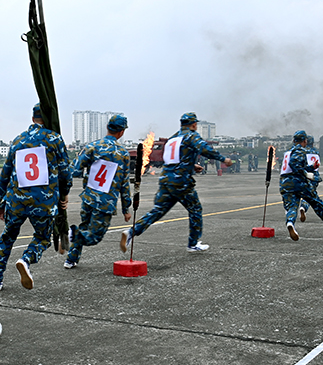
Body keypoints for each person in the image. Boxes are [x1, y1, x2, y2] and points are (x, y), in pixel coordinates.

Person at [120, 112, 231, 253]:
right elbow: (204, 149)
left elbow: (172, 159)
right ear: (194, 124)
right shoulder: (191, 135)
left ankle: (131, 232)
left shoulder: (172, 139)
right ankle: (193, 243)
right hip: (181, 181)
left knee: (157, 211)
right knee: (195, 209)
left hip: (166, 180)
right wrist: (223, 159)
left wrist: (191, 166)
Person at [0, 103, 72, 292]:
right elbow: (65, 172)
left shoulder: (18, 140)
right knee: (43, 238)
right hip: (43, 201)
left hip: (16, 199)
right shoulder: (54, 139)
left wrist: (0, 202)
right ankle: (26, 259)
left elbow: (5, 173)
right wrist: (65, 194)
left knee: (7, 238)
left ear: (32, 118)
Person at [65, 115, 132, 269]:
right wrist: (126, 208)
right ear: (121, 132)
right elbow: (124, 183)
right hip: (105, 201)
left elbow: (74, 169)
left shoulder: (92, 146)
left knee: (84, 226)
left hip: (88, 197)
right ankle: (71, 235)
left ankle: (71, 259)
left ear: (107, 128)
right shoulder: (123, 154)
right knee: (94, 237)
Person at [279, 130, 323, 242]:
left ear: (293, 140)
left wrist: (311, 167)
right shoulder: (299, 150)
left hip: (285, 183)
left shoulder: (288, 152)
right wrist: (306, 174)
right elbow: (295, 164)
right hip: (298, 182)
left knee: (292, 206)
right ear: (305, 141)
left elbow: (292, 165)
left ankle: (290, 223)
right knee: (316, 202)